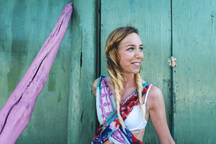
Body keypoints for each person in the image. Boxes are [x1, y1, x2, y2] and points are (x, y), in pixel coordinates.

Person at [92, 26, 175, 144]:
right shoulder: (100, 87)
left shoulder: (150, 94)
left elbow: (167, 141)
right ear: (114, 53)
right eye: (131, 49)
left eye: (140, 48)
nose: (140, 55)